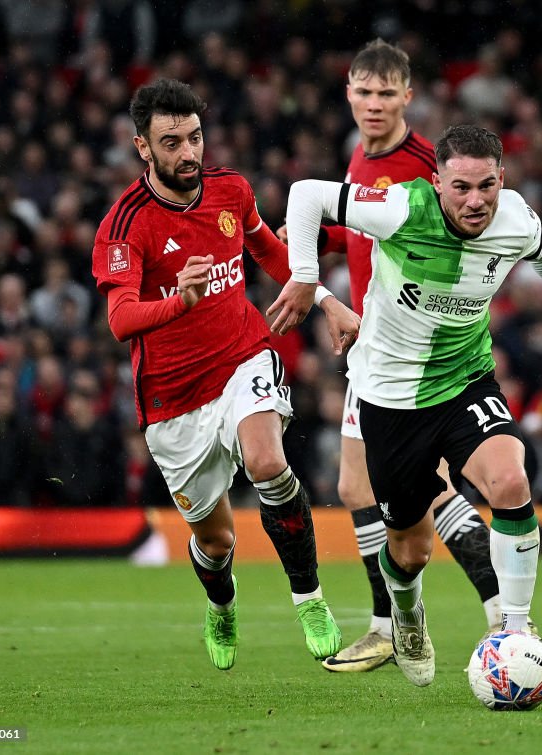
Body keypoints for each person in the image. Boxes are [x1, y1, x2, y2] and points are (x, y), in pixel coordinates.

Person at [270, 125, 542, 686]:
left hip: (464, 381)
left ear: (502, 179)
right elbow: (306, 194)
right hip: (390, 399)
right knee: (411, 549)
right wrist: (306, 276)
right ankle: (405, 615)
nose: (475, 200)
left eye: (487, 186)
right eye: (460, 188)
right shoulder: (400, 208)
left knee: (510, 482)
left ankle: (515, 629)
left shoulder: (514, 218)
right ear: (436, 182)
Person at [92, 79, 360, 670]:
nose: (188, 153)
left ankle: (309, 598)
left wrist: (326, 299)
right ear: (143, 148)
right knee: (215, 543)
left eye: (194, 137)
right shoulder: (124, 224)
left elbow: (268, 252)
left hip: (242, 357)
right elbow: (120, 320)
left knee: (268, 462)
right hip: (171, 399)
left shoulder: (230, 189)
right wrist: (178, 303)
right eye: (171, 142)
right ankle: (221, 602)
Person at [316, 39, 513, 673]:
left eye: (386, 94)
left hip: (413, 352)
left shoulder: (429, 164)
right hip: (373, 340)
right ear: (349, 93)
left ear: (408, 95)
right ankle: (424, 618)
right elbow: (365, 235)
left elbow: (474, 230)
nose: (373, 105)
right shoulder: (361, 156)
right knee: (368, 486)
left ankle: (482, 612)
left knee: (404, 488)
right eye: (364, 93)